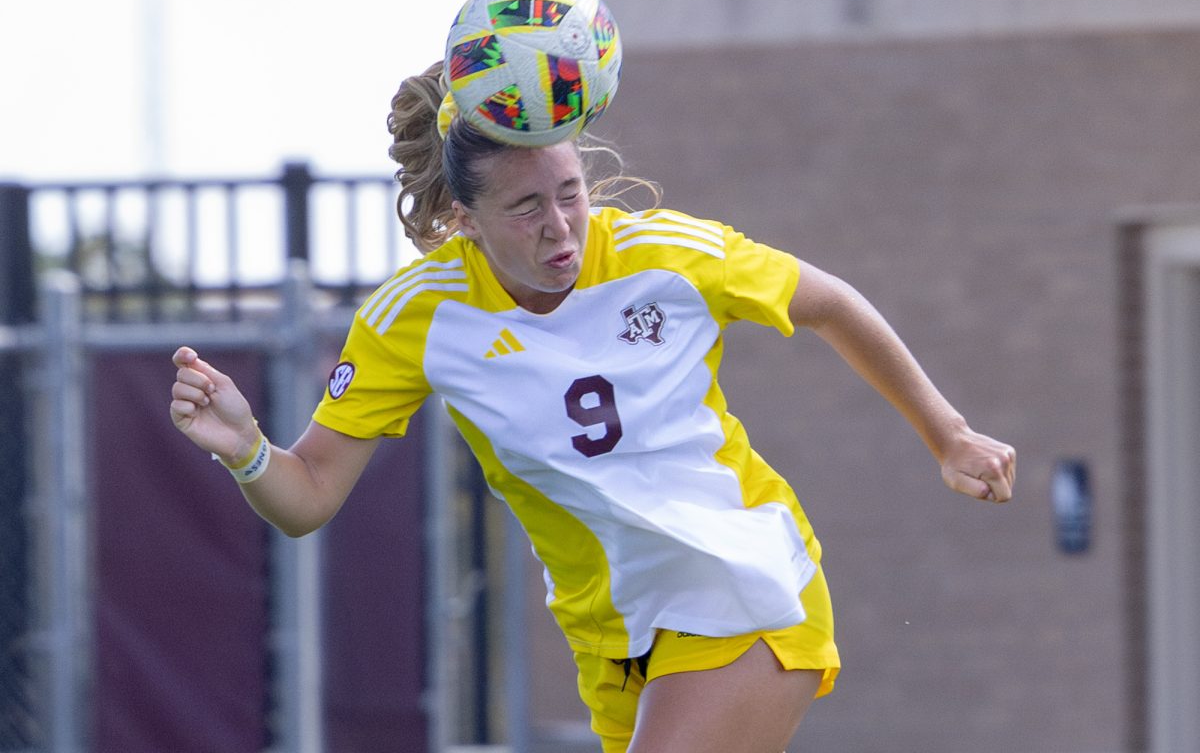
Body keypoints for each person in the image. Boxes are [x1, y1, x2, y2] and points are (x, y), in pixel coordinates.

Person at [169, 59, 1016, 752]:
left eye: (570, 191)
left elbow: (831, 303)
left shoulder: (664, 253)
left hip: (743, 579)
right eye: (527, 207)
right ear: (465, 216)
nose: (561, 228)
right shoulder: (416, 318)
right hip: (612, 637)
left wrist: (948, 435)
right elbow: (307, 497)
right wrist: (245, 448)